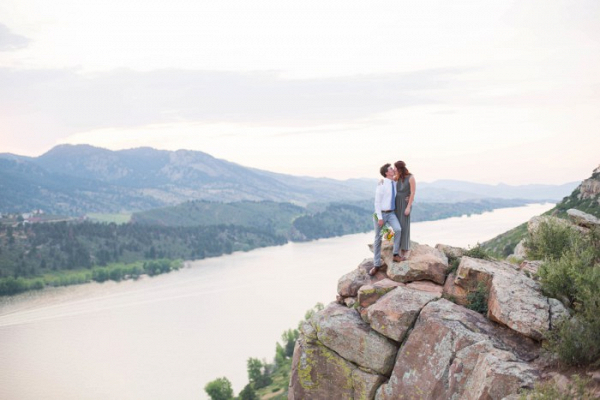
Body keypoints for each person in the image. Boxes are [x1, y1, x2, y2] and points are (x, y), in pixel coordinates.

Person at [370, 163, 403, 276]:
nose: (393, 170)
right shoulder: (382, 184)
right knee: (378, 238)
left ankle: (395, 254)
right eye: (390, 169)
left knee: (398, 230)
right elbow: (377, 202)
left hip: (391, 213)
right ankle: (376, 264)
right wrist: (379, 217)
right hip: (381, 214)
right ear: (386, 173)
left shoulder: (394, 182)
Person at [394, 160, 416, 260]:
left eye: (394, 168)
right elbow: (387, 181)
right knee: (398, 226)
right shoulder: (396, 178)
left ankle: (406, 249)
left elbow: (412, 193)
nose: (393, 169)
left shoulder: (411, 178)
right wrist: (381, 181)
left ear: (399, 168)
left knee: (405, 225)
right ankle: (398, 247)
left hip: (405, 203)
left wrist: (408, 206)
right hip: (396, 203)